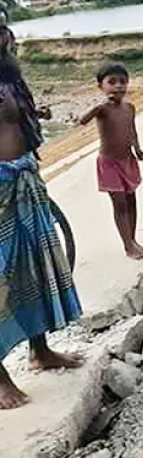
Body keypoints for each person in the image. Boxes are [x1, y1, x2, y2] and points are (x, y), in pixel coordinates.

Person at [0, 24, 84, 410]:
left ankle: (40, 350)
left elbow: (24, 124)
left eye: (3, 31)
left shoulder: (10, 80)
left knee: (34, 265)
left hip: (24, 180)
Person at [79, 64, 143, 260]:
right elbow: (82, 120)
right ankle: (128, 246)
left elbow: (132, 130)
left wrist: (138, 149)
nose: (118, 86)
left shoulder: (129, 108)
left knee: (131, 200)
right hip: (109, 163)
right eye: (112, 82)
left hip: (127, 160)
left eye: (123, 82)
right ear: (101, 86)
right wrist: (95, 107)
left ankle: (133, 239)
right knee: (119, 204)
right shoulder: (102, 109)